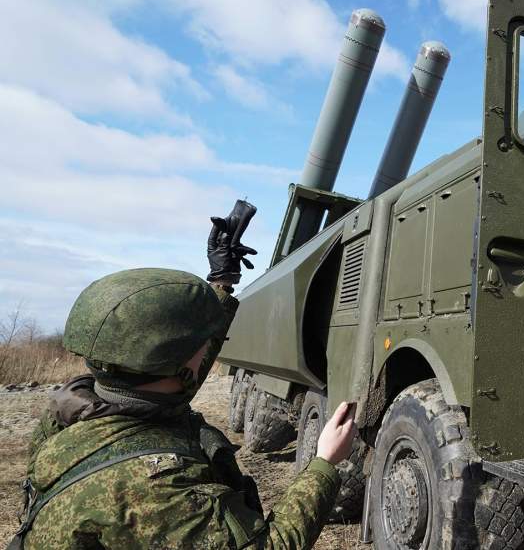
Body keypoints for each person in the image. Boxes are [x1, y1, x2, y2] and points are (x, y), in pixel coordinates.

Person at [10, 210, 355, 549]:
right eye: (202, 343)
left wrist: (222, 281)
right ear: (177, 363)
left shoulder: (72, 413)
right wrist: (324, 463)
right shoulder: (159, 491)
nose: (209, 348)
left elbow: (181, 370)